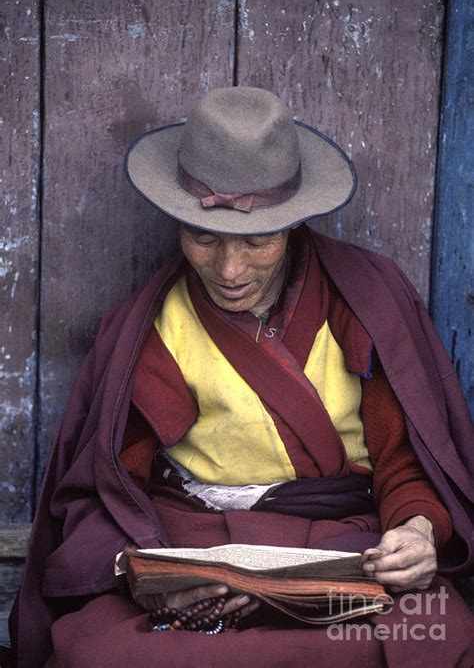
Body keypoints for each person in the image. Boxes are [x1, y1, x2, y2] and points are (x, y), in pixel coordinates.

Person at [10, 87, 474, 667]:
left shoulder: (366, 299)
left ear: (293, 224)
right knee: (99, 653)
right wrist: (146, 573)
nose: (229, 272)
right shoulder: (152, 325)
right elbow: (109, 483)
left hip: (342, 553)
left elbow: (407, 458)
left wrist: (418, 531)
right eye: (204, 238)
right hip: (199, 553)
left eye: (257, 242)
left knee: (439, 636)